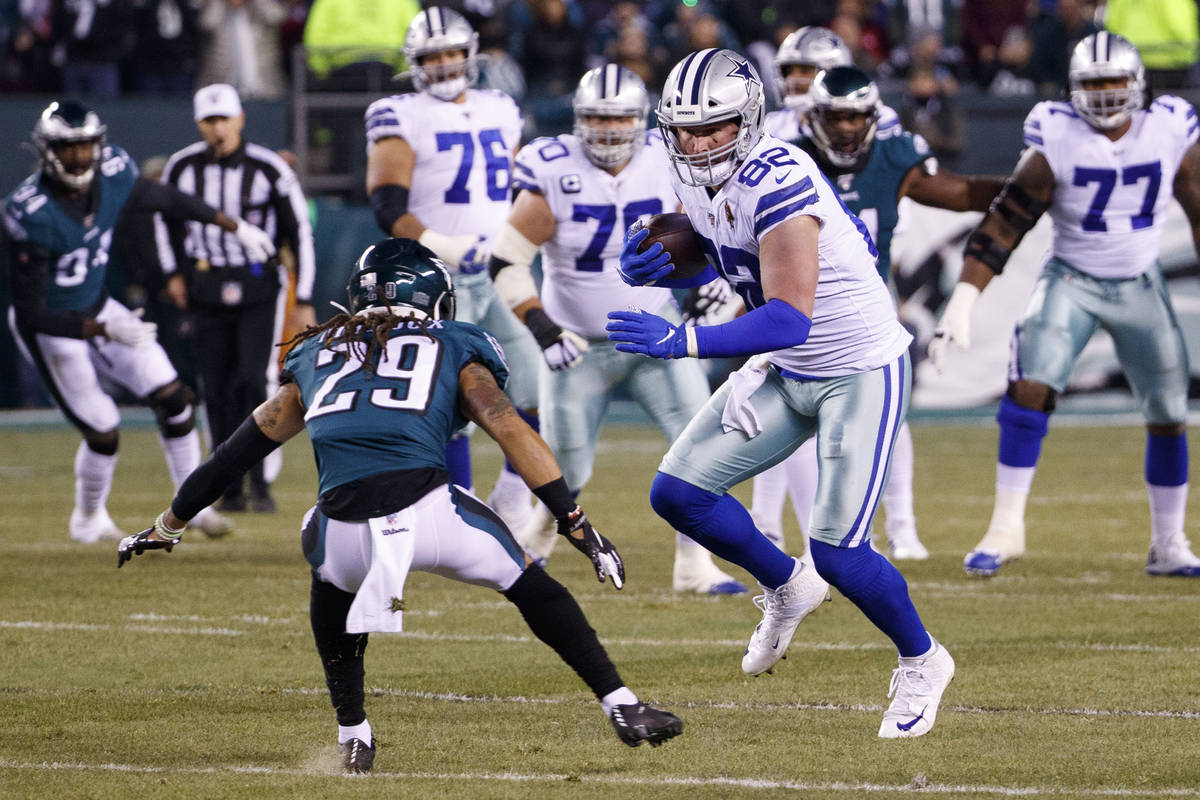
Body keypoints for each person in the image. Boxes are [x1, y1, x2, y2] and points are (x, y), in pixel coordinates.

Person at [116, 238, 684, 773]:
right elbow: (508, 426)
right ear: (433, 300)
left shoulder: (317, 351)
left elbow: (231, 456)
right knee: (533, 586)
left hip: (343, 533)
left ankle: (353, 734)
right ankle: (622, 703)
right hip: (433, 518)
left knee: (325, 563)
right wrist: (574, 520)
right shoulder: (457, 344)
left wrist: (169, 524)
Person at [606, 49, 954, 738]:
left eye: (716, 128)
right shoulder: (697, 176)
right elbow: (721, 250)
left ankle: (923, 659)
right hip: (787, 367)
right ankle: (787, 585)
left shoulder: (779, 175)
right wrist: (653, 261)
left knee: (841, 551)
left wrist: (682, 342)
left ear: (750, 119)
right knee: (678, 494)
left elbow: (789, 314)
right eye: (685, 130)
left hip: (855, 368)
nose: (699, 143)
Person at [928, 32, 1200, 579]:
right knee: (1032, 382)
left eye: (1113, 82)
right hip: (1071, 276)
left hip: (1139, 281)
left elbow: (1197, 203)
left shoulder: (1169, 128)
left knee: (1170, 410)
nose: (1103, 94)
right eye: (1092, 83)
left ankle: (1169, 542)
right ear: (1073, 89)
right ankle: (1006, 527)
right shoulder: (1056, 136)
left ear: (1137, 85)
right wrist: (964, 298)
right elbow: (1008, 220)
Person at [486, 64, 747, 595]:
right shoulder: (554, 168)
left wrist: (712, 277)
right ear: (580, 120)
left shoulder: (668, 159)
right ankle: (537, 536)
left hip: (658, 336)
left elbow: (713, 223)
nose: (608, 130)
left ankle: (694, 566)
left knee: (697, 447)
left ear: (641, 119)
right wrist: (543, 330)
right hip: (577, 346)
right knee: (568, 464)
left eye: (620, 118)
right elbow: (506, 260)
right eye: (598, 119)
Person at [752, 66, 1005, 561]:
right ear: (814, 116)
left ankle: (904, 530)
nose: (847, 127)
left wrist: (1024, 191)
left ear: (874, 117)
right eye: (837, 116)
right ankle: (808, 537)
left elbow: (962, 192)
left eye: (856, 117)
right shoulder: (786, 160)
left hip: (867, 306)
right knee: (798, 415)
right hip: (798, 304)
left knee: (890, 417)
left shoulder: (894, 157)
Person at [3, 100, 276, 542]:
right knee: (103, 428)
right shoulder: (29, 212)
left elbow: (165, 199)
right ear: (47, 152)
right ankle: (88, 518)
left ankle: (193, 505)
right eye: (70, 149)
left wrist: (233, 226)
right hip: (53, 324)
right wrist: (105, 330)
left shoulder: (112, 173)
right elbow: (33, 312)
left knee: (174, 399)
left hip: (95, 306)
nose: (81, 158)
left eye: (87, 147)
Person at [365, 6, 542, 534]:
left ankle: (511, 497)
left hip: (500, 269)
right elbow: (386, 204)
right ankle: (453, 507)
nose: (442, 64)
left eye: (450, 53)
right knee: (445, 397)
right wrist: (444, 244)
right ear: (413, 63)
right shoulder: (397, 112)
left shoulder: (501, 106)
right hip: (435, 279)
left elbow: (516, 190)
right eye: (430, 56)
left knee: (536, 386)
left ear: (469, 55)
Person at [750, 28, 902, 560]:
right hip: (784, 278)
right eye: (790, 71)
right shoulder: (765, 129)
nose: (798, 82)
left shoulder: (873, 128)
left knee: (880, 408)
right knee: (780, 400)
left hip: (855, 284)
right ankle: (770, 524)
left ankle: (892, 527)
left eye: (809, 73)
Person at [154, 83, 316, 515]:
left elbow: (299, 229)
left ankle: (261, 481)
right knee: (215, 386)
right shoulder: (182, 166)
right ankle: (227, 488)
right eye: (210, 120)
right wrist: (173, 272)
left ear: (240, 119)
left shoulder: (268, 168)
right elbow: (164, 220)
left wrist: (305, 295)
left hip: (259, 283)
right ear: (198, 124)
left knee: (253, 379)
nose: (218, 128)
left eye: (224, 118)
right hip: (205, 284)